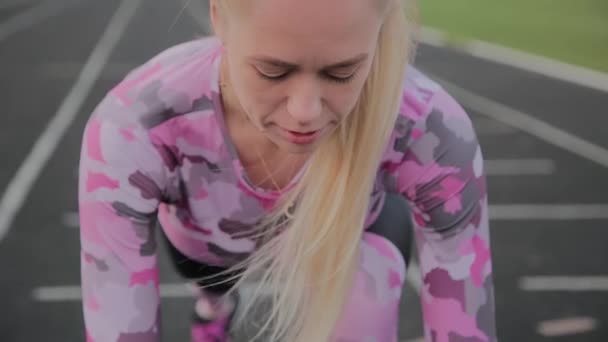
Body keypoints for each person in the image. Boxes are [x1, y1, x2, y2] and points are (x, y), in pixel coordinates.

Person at [78, 0, 497, 341]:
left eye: (341, 72)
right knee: (212, 281)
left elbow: (466, 322)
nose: (305, 113)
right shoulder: (135, 126)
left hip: (352, 234)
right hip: (207, 246)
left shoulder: (431, 131)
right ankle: (213, 308)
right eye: (272, 71)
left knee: (367, 297)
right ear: (218, 17)